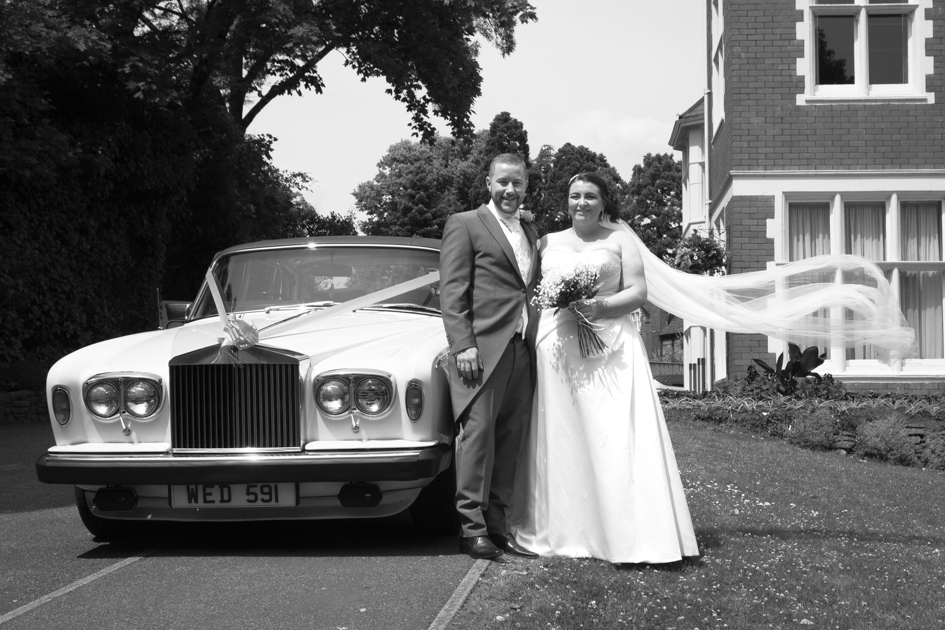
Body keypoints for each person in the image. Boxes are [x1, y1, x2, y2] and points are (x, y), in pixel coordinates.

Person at [509, 172, 699, 563]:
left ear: (604, 202)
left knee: (612, 434)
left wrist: (598, 307)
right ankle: (564, 529)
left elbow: (638, 292)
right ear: (566, 201)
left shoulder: (621, 240)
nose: (581, 203)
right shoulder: (546, 242)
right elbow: (528, 294)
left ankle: (628, 534)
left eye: (590, 196)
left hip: (612, 347)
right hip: (557, 348)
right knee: (562, 435)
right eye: (574, 195)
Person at [439, 153, 541, 561]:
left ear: (526, 186)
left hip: (521, 348)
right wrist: (463, 344)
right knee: (477, 439)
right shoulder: (464, 223)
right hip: (479, 351)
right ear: (488, 183)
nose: (510, 190)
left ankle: (498, 527)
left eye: (517, 183)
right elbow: (452, 292)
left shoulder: (530, 230)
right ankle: (471, 530)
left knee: (511, 438)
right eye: (503, 182)